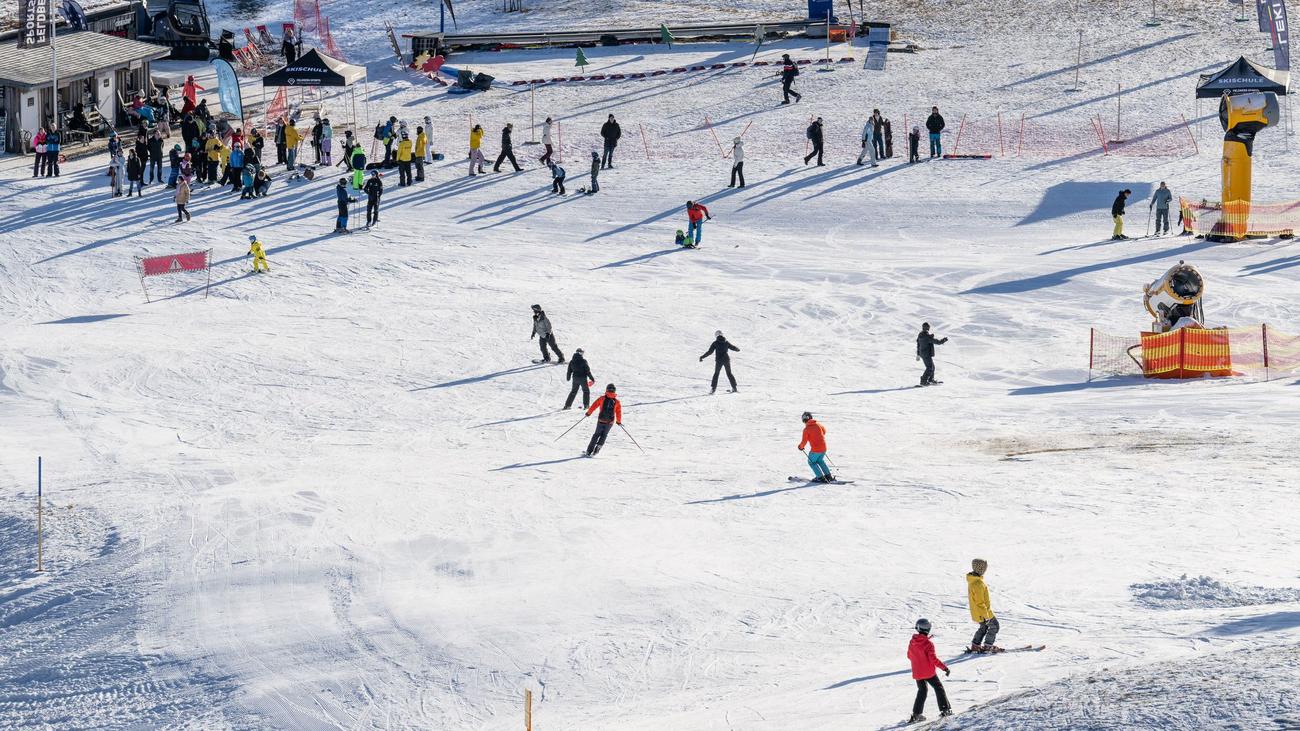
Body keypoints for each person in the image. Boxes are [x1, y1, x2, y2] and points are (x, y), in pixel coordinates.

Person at [907, 618, 953, 724]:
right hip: (928, 673)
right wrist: (944, 668)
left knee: (922, 691)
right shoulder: (928, 644)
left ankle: (916, 714)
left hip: (917, 672)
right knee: (938, 688)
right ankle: (945, 710)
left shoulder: (912, 642)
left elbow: (909, 656)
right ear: (928, 629)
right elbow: (933, 659)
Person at [967, 558, 1002, 654]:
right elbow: (980, 603)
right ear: (981, 569)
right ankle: (988, 646)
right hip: (983, 613)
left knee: (983, 628)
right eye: (984, 568)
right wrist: (986, 616)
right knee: (994, 626)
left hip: (977, 613)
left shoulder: (972, 581)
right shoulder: (978, 584)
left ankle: (975, 645)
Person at [584, 384, 622, 457]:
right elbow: (618, 412)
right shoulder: (617, 402)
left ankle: (589, 451)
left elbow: (594, 405)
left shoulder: (602, 398)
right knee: (604, 435)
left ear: (606, 390)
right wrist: (619, 421)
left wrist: (589, 413)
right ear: (614, 391)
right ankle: (598, 447)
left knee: (596, 435)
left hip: (601, 420)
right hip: (610, 422)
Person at [798, 412, 833, 483]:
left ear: (803, 420)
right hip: (823, 448)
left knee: (811, 462)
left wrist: (800, 447)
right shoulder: (818, 424)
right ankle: (828, 476)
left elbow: (804, 441)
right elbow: (824, 432)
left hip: (816, 450)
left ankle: (820, 477)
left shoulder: (806, 429)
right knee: (820, 461)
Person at [916, 322, 948, 386]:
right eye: (928, 327)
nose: (929, 329)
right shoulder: (927, 336)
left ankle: (930, 379)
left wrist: (918, 354)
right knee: (930, 367)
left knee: (932, 367)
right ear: (927, 328)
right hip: (926, 354)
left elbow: (918, 344)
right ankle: (923, 381)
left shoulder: (920, 335)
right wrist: (943, 340)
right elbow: (937, 342)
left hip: (923, 353)